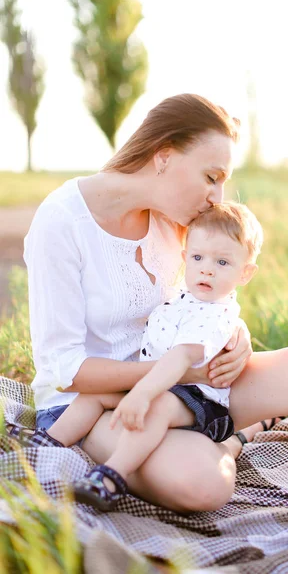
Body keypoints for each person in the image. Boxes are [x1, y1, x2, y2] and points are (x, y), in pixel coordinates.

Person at [11, 93, 288, 514]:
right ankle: (232, 442)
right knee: (203, 483)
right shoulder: (63, 221)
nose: (217, 196)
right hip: (87, 405)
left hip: (183, 384)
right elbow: (64, 370)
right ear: (164, 157)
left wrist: (237, 336)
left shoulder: (173, 219)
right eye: (211, 176)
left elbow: (202, 301)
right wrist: (167, 373)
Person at [14, 202, 263, 511]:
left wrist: (142, 393)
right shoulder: (184, 299)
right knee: (96, 396)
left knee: (155, 408)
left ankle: (111, 477)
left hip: (200, 400)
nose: (207, 268)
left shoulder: (216, 316)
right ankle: (46, 443)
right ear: (186, 259)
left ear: (245, 273)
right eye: (198, 258)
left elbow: (182, 356)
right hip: (164, 385)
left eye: (223, 262)